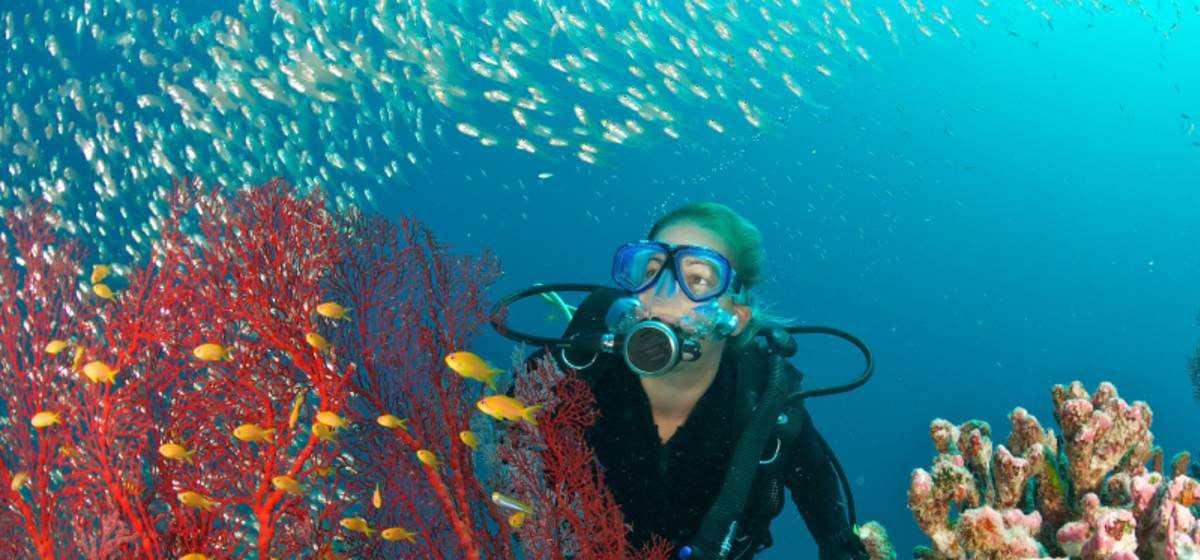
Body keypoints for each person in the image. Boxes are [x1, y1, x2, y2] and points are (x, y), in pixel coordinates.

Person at [528, 202, 870, 560]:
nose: (663, 292)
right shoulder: (577, 368)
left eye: (697, 280)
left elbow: (817, 484)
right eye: (651, 269)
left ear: (735, 317)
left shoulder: (763, 404)